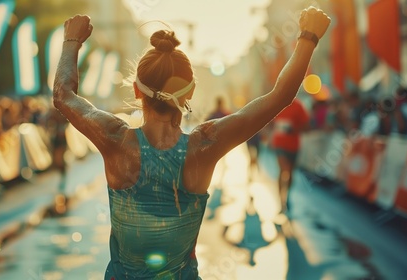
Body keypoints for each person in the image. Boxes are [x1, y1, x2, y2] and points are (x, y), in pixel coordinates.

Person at [53, 7, 330, 279]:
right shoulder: (204, 146)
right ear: (192, 91)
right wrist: (308, 38)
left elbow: (63, 95)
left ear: (137, 90)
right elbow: (279, 96)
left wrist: (71, 41)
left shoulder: (115, 139)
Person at [270, 97, 309, 217]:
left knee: (290, 173)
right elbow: (269, 122)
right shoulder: (278, 102)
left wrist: (294, 129)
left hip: (293, 146)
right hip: (279, 145)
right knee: (283, 170)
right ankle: (281, 202)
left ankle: (287, 197)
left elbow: (306, 126)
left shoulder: (298, 105)